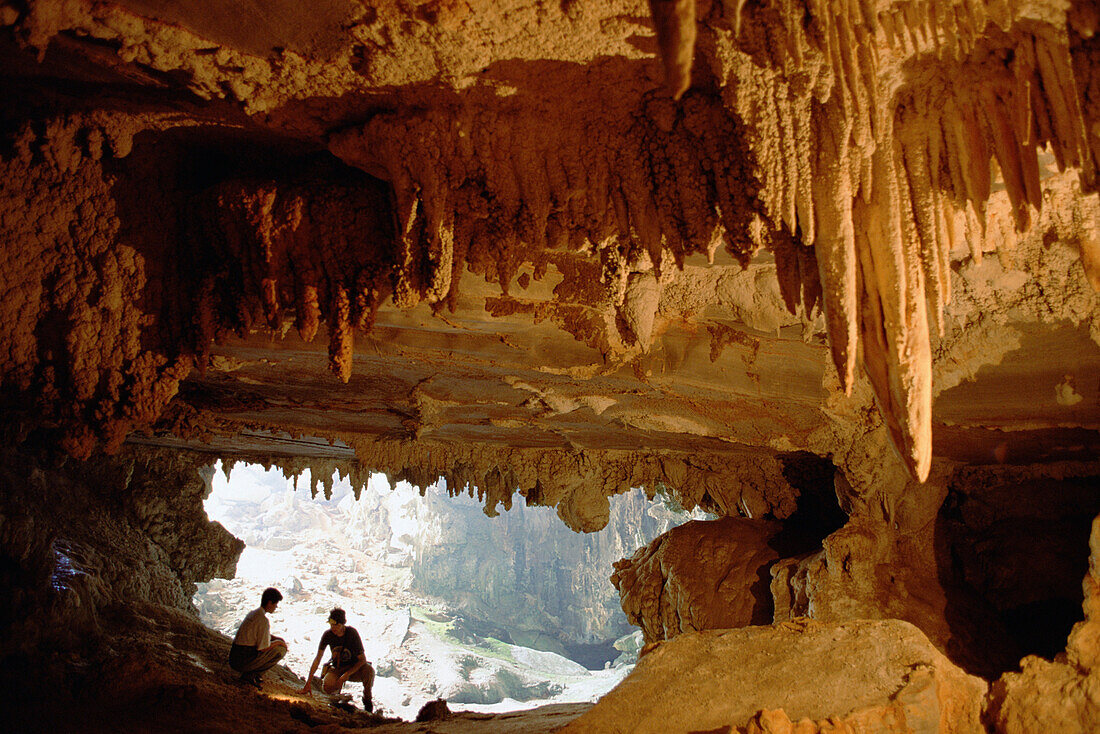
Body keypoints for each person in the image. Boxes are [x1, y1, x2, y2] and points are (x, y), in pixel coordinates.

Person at [300, 607, 375, 712]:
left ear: (343, 624)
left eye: (336, 625)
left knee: (369, 671)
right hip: (337, 668)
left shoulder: (352, 633)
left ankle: (367, 700)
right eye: (331, 625)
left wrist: (346, 675)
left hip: (354, 668)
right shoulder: (328, 635)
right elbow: (318, 659)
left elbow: (362, 660)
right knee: (327, 685)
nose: (333, 628)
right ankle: (335, 699)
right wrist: (308, 682)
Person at [229, 587, 288, 688]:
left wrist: (275, 639)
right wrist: (279, 642)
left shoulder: (254, 613)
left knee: (278, 643)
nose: (276, 607)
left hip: (234, 657)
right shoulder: (263, 620)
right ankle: (250, 676)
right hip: (243, 661)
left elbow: (257, 635)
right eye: (275, 604)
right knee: (280, 650)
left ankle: (251, 675)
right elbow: (263, 648)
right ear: (269, 603)